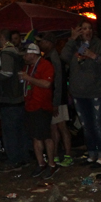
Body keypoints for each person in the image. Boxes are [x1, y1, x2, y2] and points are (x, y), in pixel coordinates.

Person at [61, 20, 101, 167]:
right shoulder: (75, 45)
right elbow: (64, 57)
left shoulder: (99, 45)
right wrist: (71, 39)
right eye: (83, 28)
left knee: (98, 125)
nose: (87, 31)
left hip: (97, 92)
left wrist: (92, 55)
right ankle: (91, 154)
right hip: (79, 93)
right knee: (86, 125)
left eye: (89, 28)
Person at [20, 42, 57, 178]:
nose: (24, 56)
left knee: (45, 136)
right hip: (30, 105)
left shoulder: (45, 65)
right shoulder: (28, 67)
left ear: (33, 53)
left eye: (26, 54)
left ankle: (52, 164)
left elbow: (47, 83)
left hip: (42, 106)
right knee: (35, 137)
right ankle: (41, 163)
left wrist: (28, 78)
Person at [0, 29, 28, 171]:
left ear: (1, 37)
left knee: (10, 132)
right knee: (20, 131)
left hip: (9, 99)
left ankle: (14, 160)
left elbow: (6, 73)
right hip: (19, 97)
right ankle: (23, 157)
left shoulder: (6, 53)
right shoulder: (16, 52)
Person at [38, 32, 74, 167]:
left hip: (57, 99)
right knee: (54, 127)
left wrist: (56, 101)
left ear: (49, 43)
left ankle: (68, 155)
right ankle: (55, 155)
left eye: (42, 42)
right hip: (53, 98)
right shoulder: (48, 57)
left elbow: (58, 80)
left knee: (61, 126)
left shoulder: (54, 58)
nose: (40, 44)